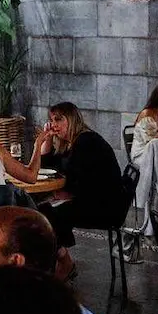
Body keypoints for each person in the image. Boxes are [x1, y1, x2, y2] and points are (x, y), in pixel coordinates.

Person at [34, 102, 125, 257]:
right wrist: (47, 139)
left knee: (44, 212)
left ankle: (61, 259)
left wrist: (66, 194)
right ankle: (60, 257)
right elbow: (46, 167)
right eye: (52, 120)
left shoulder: (86, 141)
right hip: (95, 200)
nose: (54, 125)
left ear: (71, 119)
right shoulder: (72, 142)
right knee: (44, 208)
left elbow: (87, 182)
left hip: (105, 207)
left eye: (58, 120)